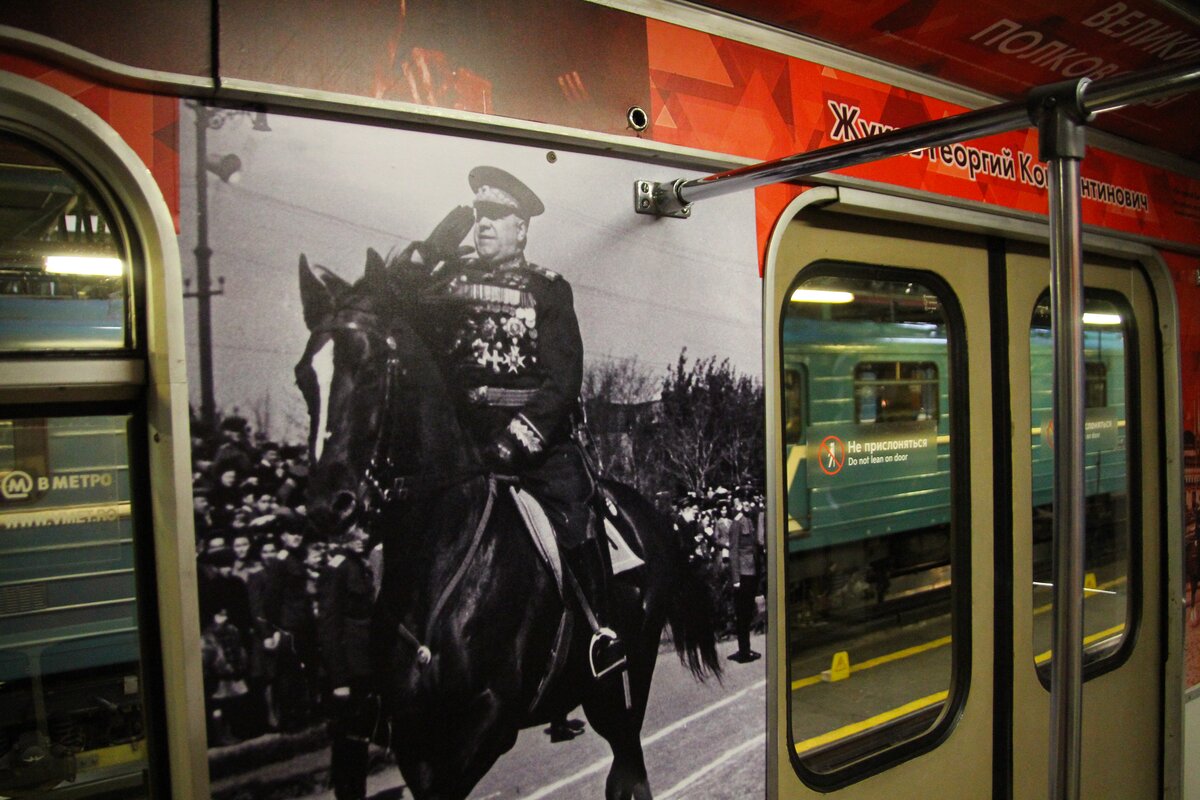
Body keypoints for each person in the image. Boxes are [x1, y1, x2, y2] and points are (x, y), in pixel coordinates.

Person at [395, 165, 620, 676]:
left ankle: (600, 634)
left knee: (576, 511)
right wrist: (431, 249)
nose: (484, 223)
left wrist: (517, 440)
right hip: (462, 447)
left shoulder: (547, 290)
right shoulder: (448, 283)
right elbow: (395, 301)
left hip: (533, 447)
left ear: (522, 228)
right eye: (479, 214)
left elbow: (561, 381)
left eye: (496, 215)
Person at [317, 527, 377, 800]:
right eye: (356, 529)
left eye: (365, 529)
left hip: (363, 665)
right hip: (348, 669)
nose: (363, 535)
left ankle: (357, 794)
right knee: (347, 740)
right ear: (341, 534)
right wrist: (339, 679)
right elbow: (329, 627)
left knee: (359, 737)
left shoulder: (359, 565)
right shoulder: (337, 569)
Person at [726, 497, 762, 663]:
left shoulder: (749, 520)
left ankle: (746, 649)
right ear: (739, 505)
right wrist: (736, 579)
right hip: (742, 574)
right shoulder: (736, 523)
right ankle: (743, 652)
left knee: (747, 613)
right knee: (742, 614)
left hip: (752, 571)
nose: (748, 505)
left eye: (749, 502)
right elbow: (733, 551)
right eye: (744, 503)